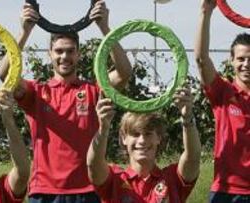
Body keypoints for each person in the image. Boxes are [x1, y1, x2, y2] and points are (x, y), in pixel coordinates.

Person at [0, 1, 132, 202]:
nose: (64, 56)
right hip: (44, 192)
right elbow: (5, 74)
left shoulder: (93, 90)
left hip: (88, 190)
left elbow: (124, 73)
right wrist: (25, 31)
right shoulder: (36, 92)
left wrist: (104, 27)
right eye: (59, 51)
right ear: (50, 54)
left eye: (70, 51)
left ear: (78, 54)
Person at [87, 86, 201, 203]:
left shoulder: (172, 178)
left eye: (148, 134)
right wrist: (103, 128)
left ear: (159, 138)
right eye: (135, 134)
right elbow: (92, 164)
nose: (142, 140)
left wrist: (187, 118)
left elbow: (193, 156)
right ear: (123, 138)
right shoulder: (114, 180)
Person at [194, 0, 250, 201]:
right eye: (241, 59)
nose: (246, 64)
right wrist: (205, 12)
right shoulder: (223, 92)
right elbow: (201, 59)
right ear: (231, 60)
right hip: (226, 192)